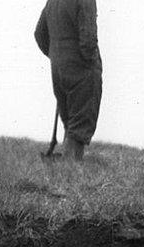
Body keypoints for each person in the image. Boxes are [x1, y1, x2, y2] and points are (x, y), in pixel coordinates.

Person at [34, 0, 103, 161]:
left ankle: (66, 169)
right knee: (80, 121)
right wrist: (90, 61)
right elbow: (89, 37)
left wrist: (57, 56)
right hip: (81, 67)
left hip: (58, 68)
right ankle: (70, 171)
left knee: (71, 120)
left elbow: (39, 34)